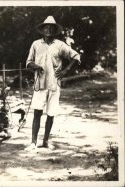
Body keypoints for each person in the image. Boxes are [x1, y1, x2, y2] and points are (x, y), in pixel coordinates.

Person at [25, 16, 81, 150]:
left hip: (54, 85)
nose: (48, 29)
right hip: (40, 85)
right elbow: (28, 63)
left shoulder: (60, 45)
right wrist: (36, 66)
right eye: (46, 27)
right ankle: (33, 143)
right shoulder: (36, 44)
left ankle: (45, 141)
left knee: (51, 114)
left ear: (55, 30)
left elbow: (76, 56)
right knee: (37, 113)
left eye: (51, 27)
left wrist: (66, 70)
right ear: (42, 29)